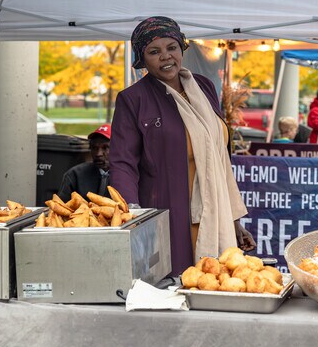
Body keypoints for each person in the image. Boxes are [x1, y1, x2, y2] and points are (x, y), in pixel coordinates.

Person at [109, 16, 255, 275]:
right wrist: (131, 215)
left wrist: (234, 222)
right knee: (179, 283)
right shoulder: (133, 100)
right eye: (154, 52)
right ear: (143, 60)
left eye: (171, 48)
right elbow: (123, 163)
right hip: (169, 214)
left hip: (215, 214)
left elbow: (220, 160)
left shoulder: (205, 87)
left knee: (216, 284)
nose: (165, 57)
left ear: (181, 49)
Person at [57, 124, 112, 201]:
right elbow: (60, 207)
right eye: (94, 148)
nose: (98, 154)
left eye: (105, 148)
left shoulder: (126, 177)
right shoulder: (75, 175)